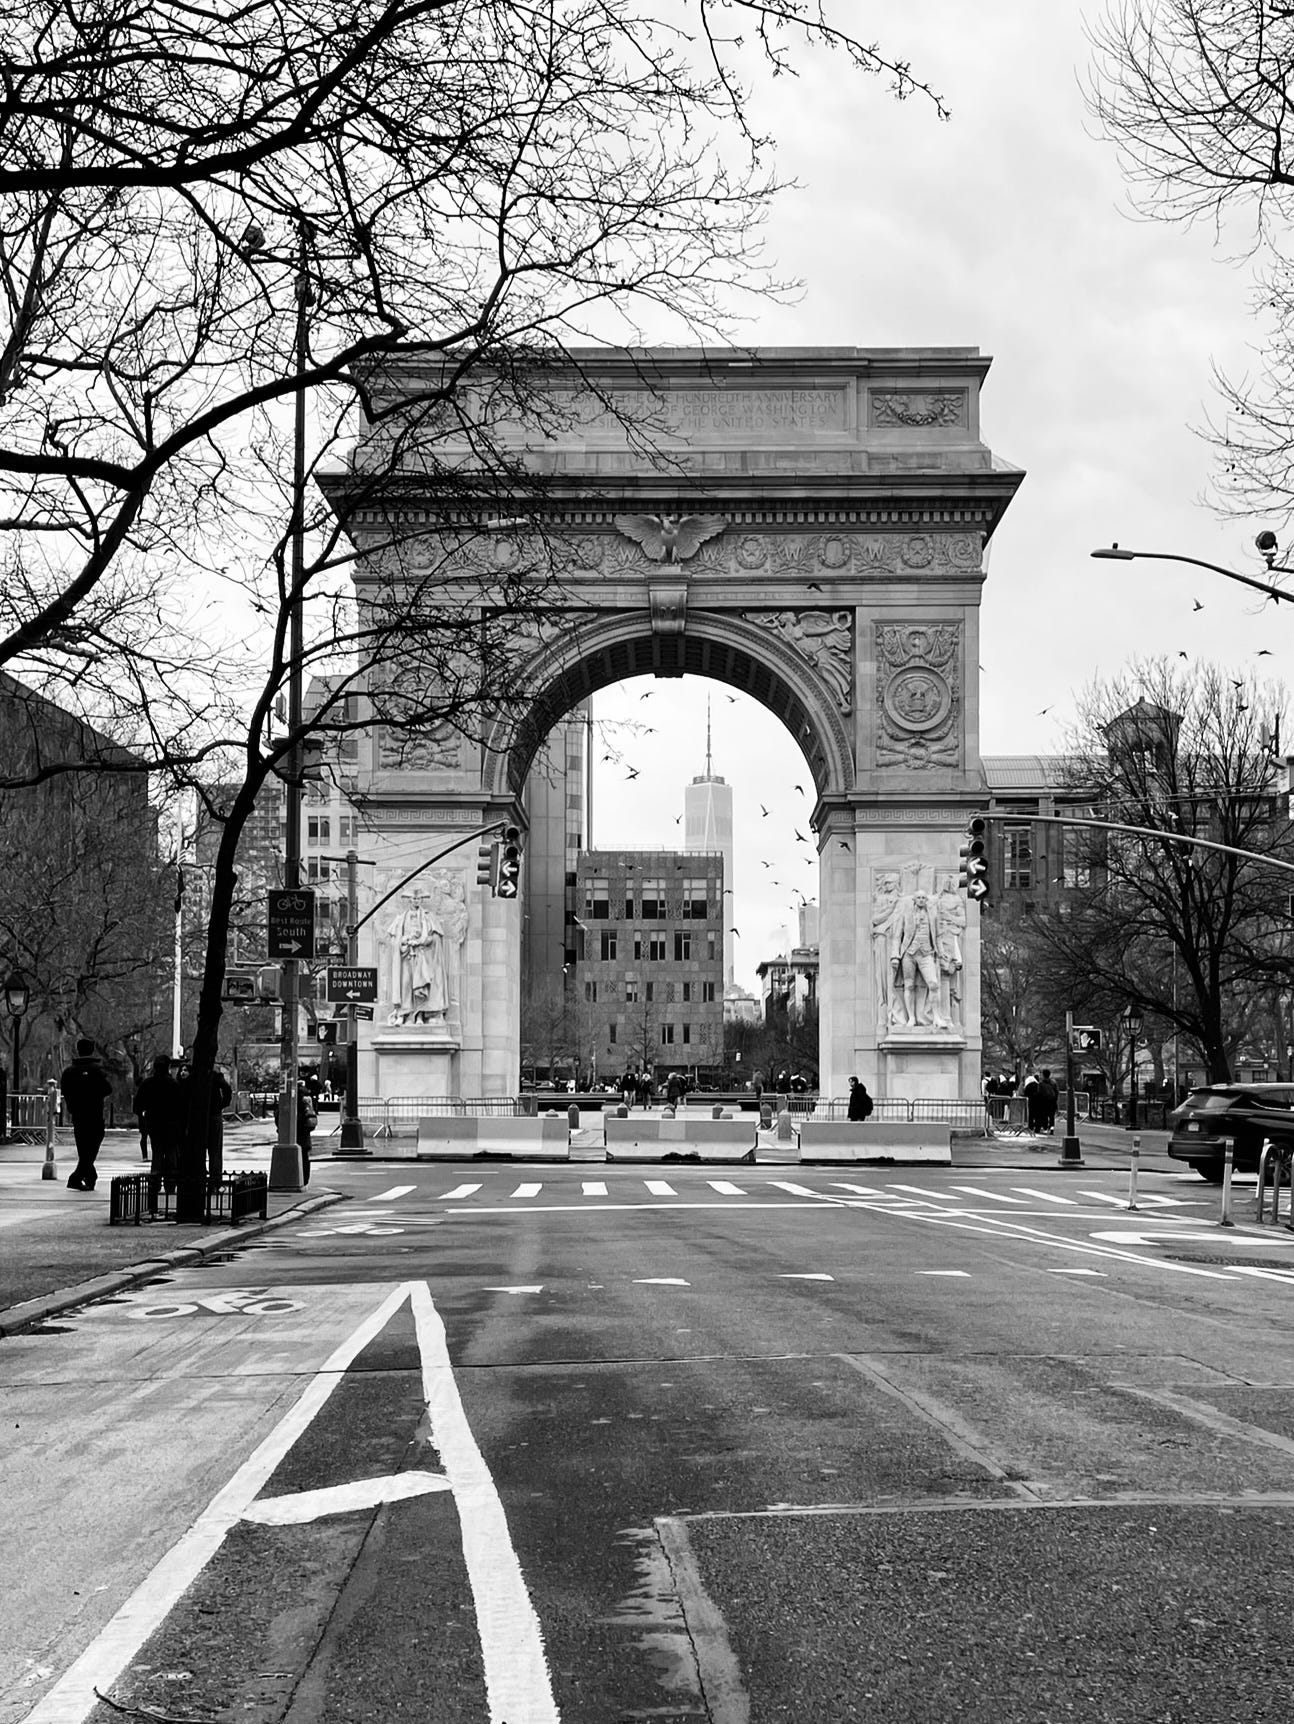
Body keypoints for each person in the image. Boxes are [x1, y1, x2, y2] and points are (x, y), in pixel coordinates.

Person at [61, 1037, 112, 1191]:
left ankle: (85, 1176)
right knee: (91, 1146)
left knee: (84, 1148)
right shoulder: (97, 1071)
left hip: (78, 1114)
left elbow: (66, 1091)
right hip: (94, 1113)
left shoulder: (69, 1072)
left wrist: (72, 1104)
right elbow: (107, 1089)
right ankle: (80, 1177)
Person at [134, 1055, 184, 1212]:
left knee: (157, 1152)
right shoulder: (173, 1084)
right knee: (170, 1153)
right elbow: (180, 1105)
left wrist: (145, 1113)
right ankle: (170, 1184)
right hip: (171, 1124)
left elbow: (137, 1104)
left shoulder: (148, 1083)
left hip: (154, 1123)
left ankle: (154, 1183)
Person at [297, 1085, 315, 1185]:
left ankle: (303, 1180)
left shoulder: (302, 1106)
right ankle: (304, 1180)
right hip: (304, 1137)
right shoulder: (306, 1106)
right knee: (304, 1159)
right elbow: (311, 1122)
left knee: (303, 1159)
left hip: (298, 1136)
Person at [1037, 1068, 1059, 1135]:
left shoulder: (1041, 1083)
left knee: (1045, 1115)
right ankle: (1052, 1127)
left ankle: (1045, 1128)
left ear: (1043, 1075)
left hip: (1044, 1101)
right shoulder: (1053, 1082)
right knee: (1051, 1115)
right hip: (1052, 1101)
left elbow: (1039, 1093)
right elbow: (1057, 1091)